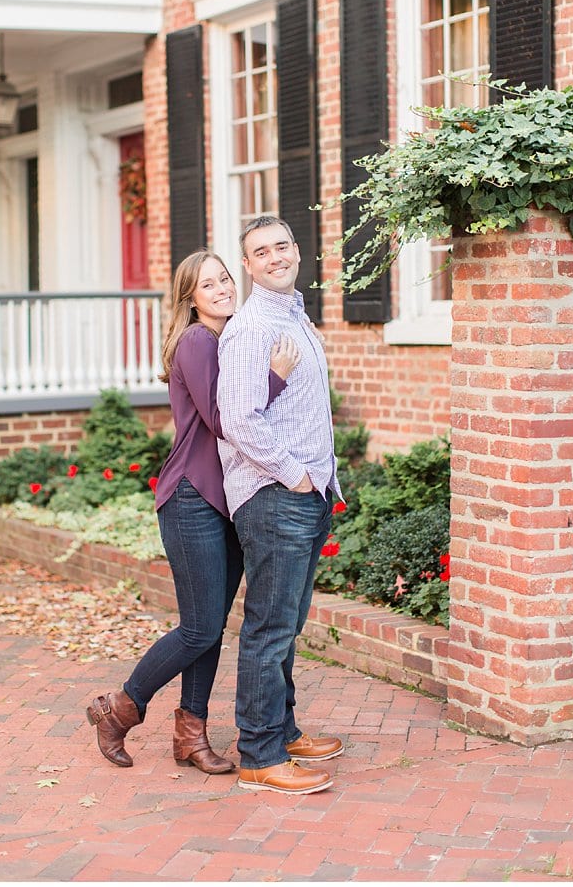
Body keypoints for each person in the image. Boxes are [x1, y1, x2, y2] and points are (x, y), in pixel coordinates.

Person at [86, 250, 298, 772]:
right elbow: (226, 419)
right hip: (190, 496)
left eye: (225, 278)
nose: (223, 288)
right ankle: (120, 708)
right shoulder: (198, 341)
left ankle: (191, 737)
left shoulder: (224, 339)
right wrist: (275, 377)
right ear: (191, 298)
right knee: (201, 628)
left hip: (220, 498)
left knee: (208, 623)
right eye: (209, 284)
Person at [218, 214, 345, 796]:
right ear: (247, 266)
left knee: (286, 625)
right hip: (275, 496)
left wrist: (320, 480)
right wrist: (296, 477)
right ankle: (260, 755)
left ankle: (283, 730)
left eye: (282, 246)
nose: (274, 256)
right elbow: (239, 420)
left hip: (306, 493)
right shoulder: (250, 329)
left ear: (296, 251)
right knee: (269, 629)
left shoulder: (293, 315)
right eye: (260, 251)